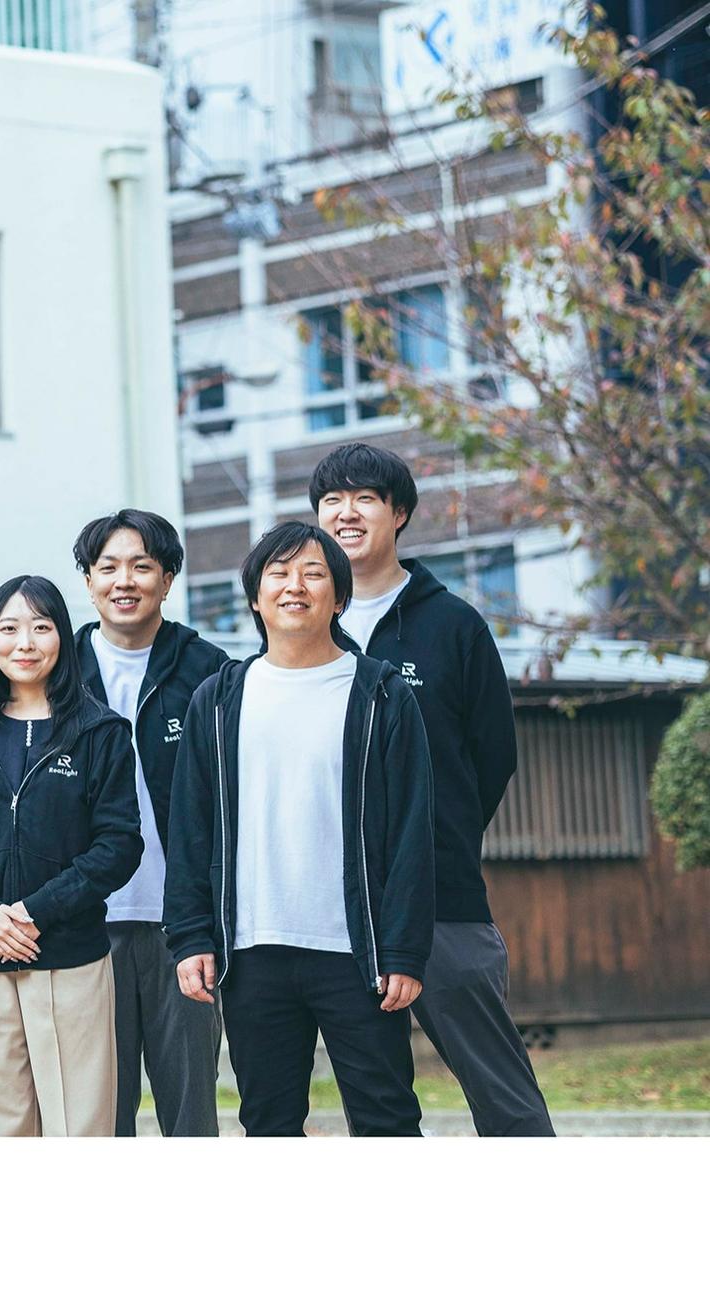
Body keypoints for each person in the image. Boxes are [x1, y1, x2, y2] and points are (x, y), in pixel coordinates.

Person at [311, 442, 553, 1136]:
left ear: (400, 514)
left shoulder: (453, 626)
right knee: (378, 1108)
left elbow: (492, 758)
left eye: (364, 498)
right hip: (333, 906)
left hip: (442, 895)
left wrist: (435, 836)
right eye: (332, 500)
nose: (346, 513)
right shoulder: (304, 625)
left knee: (504, 1097)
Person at [165, 522, 434, 1136]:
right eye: (278, 574)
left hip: (357, 952)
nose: (295, 586)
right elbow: (191, 827)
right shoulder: (218, 700)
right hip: (252, 949)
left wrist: (403, 949)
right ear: (255, 598)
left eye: (313, 574)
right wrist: (191, 936)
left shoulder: (381, 695)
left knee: (389, 1120)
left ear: (339, 598)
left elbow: (412, 832)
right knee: (268, 1123)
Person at [0, 575, 142, 1136]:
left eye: (41, 627)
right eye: (9, 628)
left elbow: (118, 845)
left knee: (80, 1127)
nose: (24, 643)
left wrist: (35, 912)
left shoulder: (100, 732)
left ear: (62, 637)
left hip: (70, 959)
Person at [71, 509, 230, 1137]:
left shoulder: (209, 671)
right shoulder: (59, 668)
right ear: (88, 581)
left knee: (190, 1113)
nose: (124, 581)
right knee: (98, 1114)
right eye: (108, 567)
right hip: (83, 926)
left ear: (167, 580)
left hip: (181, 928)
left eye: (141, 566)